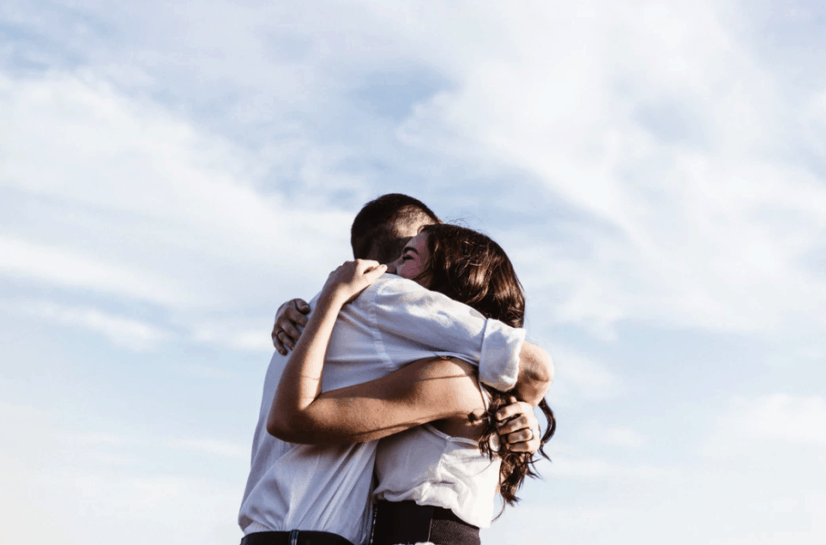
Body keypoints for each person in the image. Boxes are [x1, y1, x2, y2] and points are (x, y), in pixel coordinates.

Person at [238, 194, 552, 545]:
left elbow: (534, 370)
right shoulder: (383, 306)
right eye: (409, 251)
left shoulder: (449, 376)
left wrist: (523, 407)